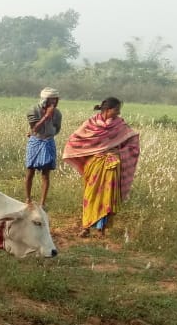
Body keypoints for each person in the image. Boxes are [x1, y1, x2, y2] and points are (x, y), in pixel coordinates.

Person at [62, 97, 141, 237]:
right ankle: (86, 227)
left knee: (107, 197)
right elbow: (75, 139)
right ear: (107, 109)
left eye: (119, 110)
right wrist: (90, 150)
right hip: (94, 164)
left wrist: (120, 151)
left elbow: (133, 141)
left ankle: (101, 229)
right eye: (116, 110)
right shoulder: (91, 123)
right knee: (90, 195)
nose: (118, 113)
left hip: (112, 164)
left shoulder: (120, 125)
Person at [24, 87, 63, 207]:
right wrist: (46, 116)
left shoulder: (58, 113)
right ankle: (28, 199)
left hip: (49, 142)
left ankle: (42, 203)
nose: (55, 103)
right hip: (35, 141)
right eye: (52, 100)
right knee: (30, 171)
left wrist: (48, 134)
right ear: (45, 100)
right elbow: (34, 128)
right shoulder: (33, 110)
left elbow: (57, 129)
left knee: (46, 174)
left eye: (56, 100)